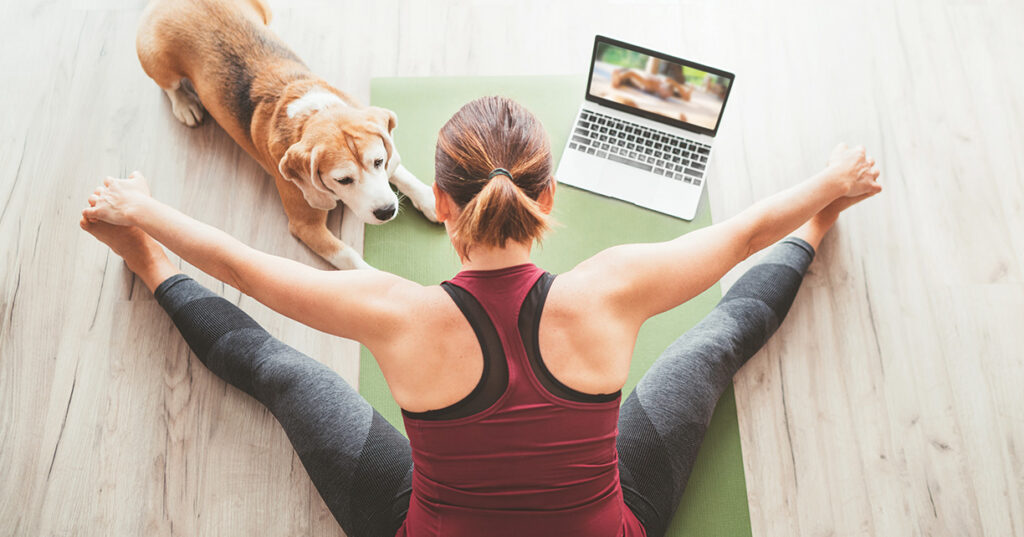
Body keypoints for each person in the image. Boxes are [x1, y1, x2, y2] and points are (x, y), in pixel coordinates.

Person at [80, 96, 880, 537]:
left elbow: (242, 266)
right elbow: (740, 233)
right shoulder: (614, 285)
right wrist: (829, 186)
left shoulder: (393, 311)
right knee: (714, 345)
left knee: (280, 372)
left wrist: (145, 211)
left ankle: (146, 266)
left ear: (444, 204)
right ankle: (820, 233)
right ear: (549, 198)